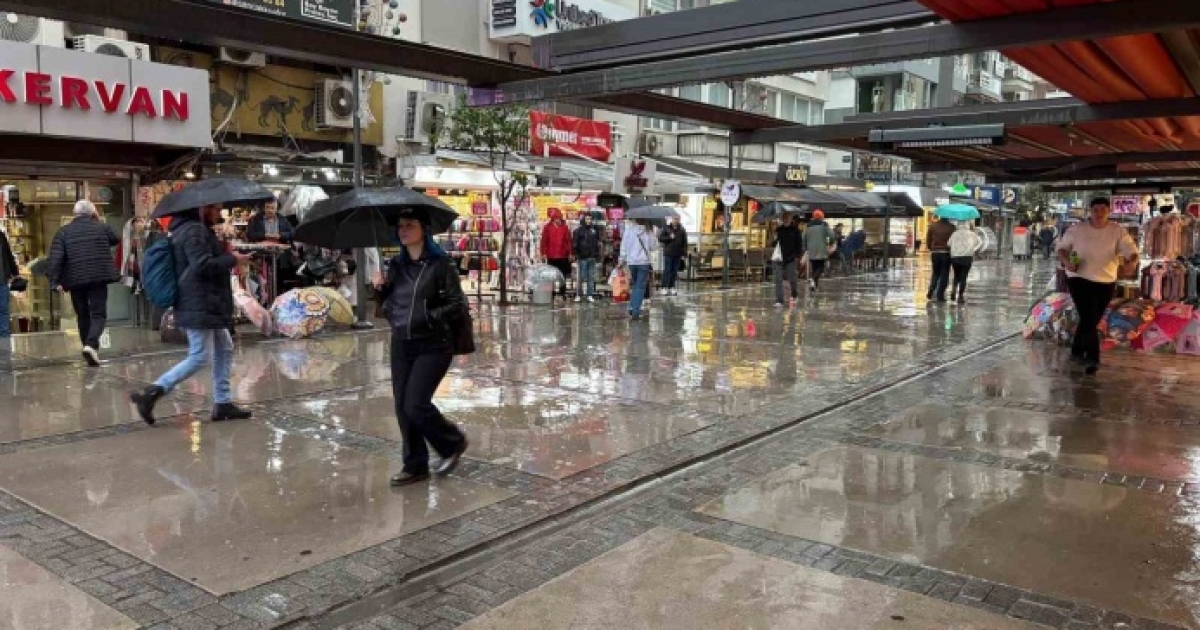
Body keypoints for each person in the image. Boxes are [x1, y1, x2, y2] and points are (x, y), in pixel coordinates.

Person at [130, 203, 253, 424]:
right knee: (200, 355)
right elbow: (202, 265)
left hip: (205, 300)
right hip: (198, 300)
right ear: (201, 208)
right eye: (215, 208)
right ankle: (152, 393)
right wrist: (232, 259)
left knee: (224, 346)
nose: (218, 212)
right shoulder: (194, 230)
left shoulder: (191, 229)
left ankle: (223, 403)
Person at [374, 215, 469, 486]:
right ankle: (415, 465)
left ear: (423, 230)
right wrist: (379, 289)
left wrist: (426, 317)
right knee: (402, 408)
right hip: (402, 342)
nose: (403, 230)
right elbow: (387, 304)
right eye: (400, 226)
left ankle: (452, 442)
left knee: (415, 404)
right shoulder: (397, 265)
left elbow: (457, 304)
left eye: (409, 225)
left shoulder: (441, 264)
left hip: (434, 343)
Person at [1057, 197, 1139, 375]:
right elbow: (1061, 249)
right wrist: (1067, 262)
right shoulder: (1077, 230)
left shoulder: (1117, 231)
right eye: (1095, 210)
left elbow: (1131, 251)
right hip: (1078, 278)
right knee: (1088, 316)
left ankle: (1077, 350)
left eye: (1103, 210)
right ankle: (1092, 358)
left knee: (1092, 318)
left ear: (1109, 212)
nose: (1099, 213)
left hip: (1106, 280)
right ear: (1090, 211)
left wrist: (1131, 262)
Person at [47, 200, 120, 367]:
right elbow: (115, 238)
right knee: (98, 314)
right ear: (93, 213)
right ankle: (91, 345)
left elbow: (55, 259)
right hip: (98, 277)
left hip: (75, 280)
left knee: (83, 314)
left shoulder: (63, 232)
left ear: (75, 214)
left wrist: (54, 282)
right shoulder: (102, 227)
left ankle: (88, 347)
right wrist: (97, 220)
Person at [620, 218, 657, 320]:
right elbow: (653, 247)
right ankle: (635, 310)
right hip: (643, 262)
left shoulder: (629, 230)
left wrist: (622, 259)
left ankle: (632, 307)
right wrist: (652, 234)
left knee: (635, 285)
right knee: (640, 287)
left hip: (632, 262)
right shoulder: (648, 231)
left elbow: (624, 246)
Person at [770, 212, 803, 308]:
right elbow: (773, 243)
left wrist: (798, 256)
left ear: (791, 219)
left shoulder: (795, 230)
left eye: (788, 218)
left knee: (792, 278)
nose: (786, 219)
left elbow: (799, 245)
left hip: (790, 258)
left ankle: (794, 294)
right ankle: (779, 300)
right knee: (778, 279)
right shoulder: (779, 230)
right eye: (784, 218)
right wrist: (774, 237)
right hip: (779, 258)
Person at [540, 208, 573, 299]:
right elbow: (544, 241)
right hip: (551, 256)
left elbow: (568, 241)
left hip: (563, 255)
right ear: (553, 219)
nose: (558, 220)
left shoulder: (565, 227)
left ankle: (562, 292)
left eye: (559, 218)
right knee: (551, 275)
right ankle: (552, 293)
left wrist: (570, 253)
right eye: (556, 218)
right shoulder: (547, 227)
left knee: (562, 275)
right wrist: (543, 253)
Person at [947, 222, 982, 304]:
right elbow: (978, 243)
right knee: (963, 276)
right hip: (967, 257)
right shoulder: (972, 234)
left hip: (955, 257)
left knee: (956, 275)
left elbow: (948, 244)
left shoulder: (954, 234)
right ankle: (960, 296)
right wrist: (971, 248)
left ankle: (954, 290)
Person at [802, 210, 836, 292]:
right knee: (821, 267)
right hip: (821, 249)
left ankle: (814, 286)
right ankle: (813, 279)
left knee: (814, 267)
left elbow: (803, 238)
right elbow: (831, 235)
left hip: (811, 250)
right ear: (822, 217)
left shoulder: (808, 226)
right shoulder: (824, 225)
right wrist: (831, 243)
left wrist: (806, 248)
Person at [926, 214, 956, 302]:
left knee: (935, 272)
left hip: (935, 252)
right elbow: (953, 241)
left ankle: (932, 288)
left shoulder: (932, 226)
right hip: (946, 253)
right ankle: (940, 294)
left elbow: (928, 239)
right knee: (944, 273)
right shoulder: (952, 227)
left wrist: (931, 248)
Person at [0, 226, 19, 367]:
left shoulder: (1, 236)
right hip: (2, 281)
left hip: (2, 281)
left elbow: (7, 255)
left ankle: (5, 349)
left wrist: (14, 272)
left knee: (4, 312)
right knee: (3, 312)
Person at [572, 214, 601, 302]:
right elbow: (575, 244)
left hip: (592, 257)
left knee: (591, 277)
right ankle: (579, 294)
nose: (589, 220)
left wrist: (597, 254)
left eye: (590, 219)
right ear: (583, 220)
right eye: (587, 219)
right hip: (582, 257)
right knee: (581, 277)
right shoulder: (578, 231)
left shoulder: (594, 230)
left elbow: (597, 243)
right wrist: (576, 254)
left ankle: (590, 294)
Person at [659, 214, 688, 296]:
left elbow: (685, 242)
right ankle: (664, 287)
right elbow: (660, 238)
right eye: (675, 219)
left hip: (678, 254)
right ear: (672, 219)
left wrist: (684, 253)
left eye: (677, 219)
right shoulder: (667, 228)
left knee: (674, 271)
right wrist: (669, 237)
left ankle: (671, 287)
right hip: (668, 253)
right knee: (667, 271)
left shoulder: (682, 229)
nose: (676, 220)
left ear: (679, 220)